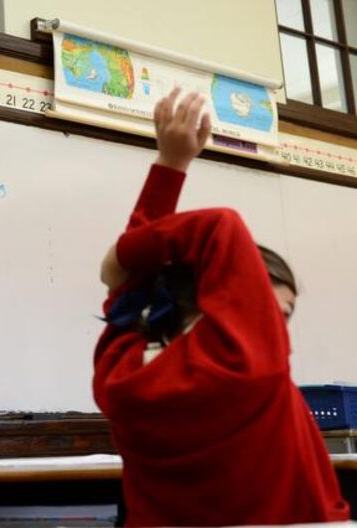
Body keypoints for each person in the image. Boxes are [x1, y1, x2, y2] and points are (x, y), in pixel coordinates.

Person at [94, 87, 350, 526]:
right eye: (269, 313)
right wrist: (119, 257)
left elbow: (137, 289)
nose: (276, 330)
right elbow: (221, 226)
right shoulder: (249, 366)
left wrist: (169, 166)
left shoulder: (119, 374)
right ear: (226, 301)